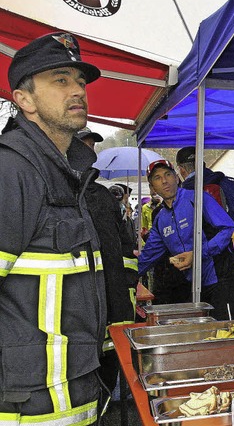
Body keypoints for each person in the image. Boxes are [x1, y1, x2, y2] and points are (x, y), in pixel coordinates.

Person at [0, 32, 106, 424]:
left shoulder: (67, 170)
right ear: (24, 99)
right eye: (59, 80)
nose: (77, 90)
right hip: (25, 404)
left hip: (69, 392)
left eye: (80, 81)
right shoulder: (12, 168)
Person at [74, 129, 138, 400]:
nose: (89, 153)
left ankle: (107, 399)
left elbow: (125, 246)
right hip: (78, 305)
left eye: (91, 147)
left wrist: (127, 281)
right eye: (83, 146)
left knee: (112, 358)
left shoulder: (102, 196)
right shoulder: (55, 192)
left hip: (114, 299)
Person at [137, 159, 234, 320]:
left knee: (223, 331)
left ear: (177, 178)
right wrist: (126, 277)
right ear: (152, 188)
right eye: (157, 178)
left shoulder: (198, 198)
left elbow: (228, 229)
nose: (164, 181)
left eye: (168, 174)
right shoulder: (160, 218)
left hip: (221, 277)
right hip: (194, 286)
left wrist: (198, 253)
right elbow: (149, 255)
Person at [175, 146, 234, 316]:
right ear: (203, 164)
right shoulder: (230, 183)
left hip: (204, 269)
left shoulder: (183, 194)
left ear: (181, 170)